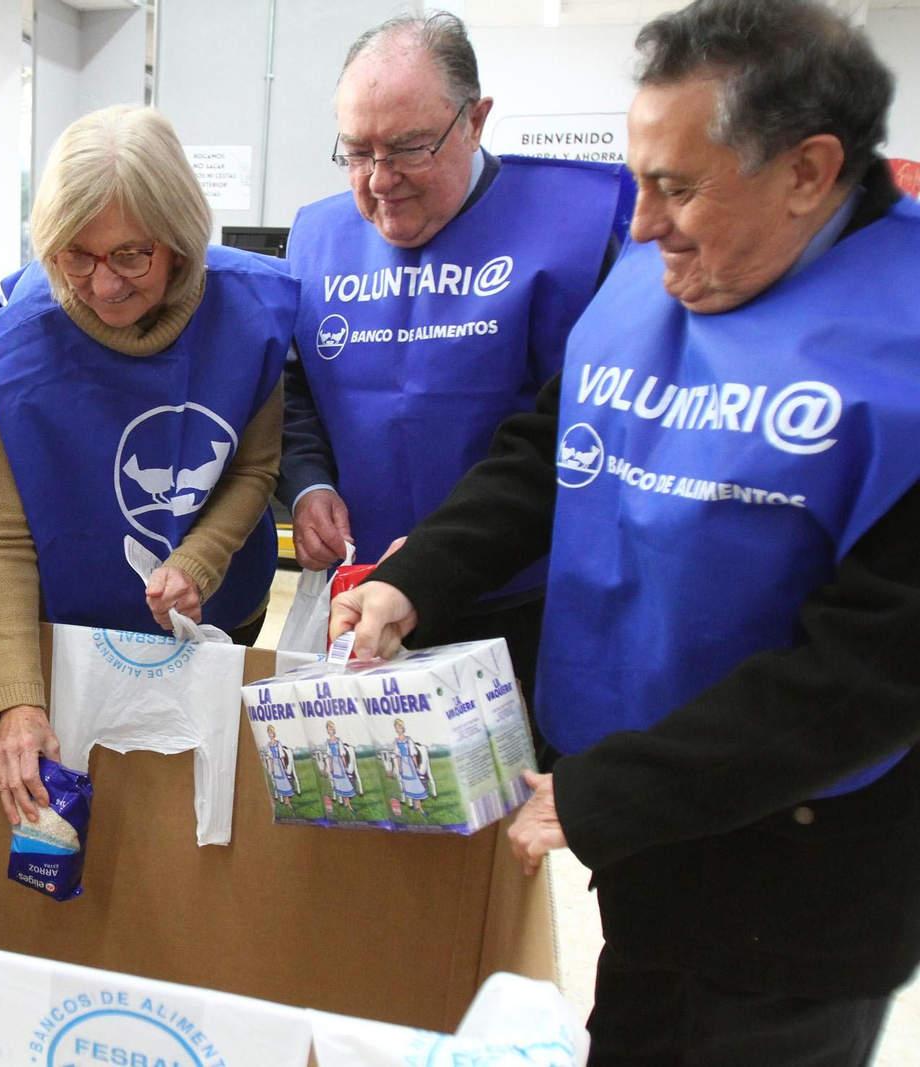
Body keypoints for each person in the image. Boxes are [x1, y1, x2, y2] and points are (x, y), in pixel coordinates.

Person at [332, 2, 920, 1061]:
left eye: (678, 187)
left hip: (795, 892)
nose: (641, 226)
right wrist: (419, 576)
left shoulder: (903, 345)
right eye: (640, 180)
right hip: (650, 857)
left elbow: (870, 674)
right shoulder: (669, 266)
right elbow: (546, 450)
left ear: (807, 171)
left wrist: (608, 793)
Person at [279, 13, 630, 719]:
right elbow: (293, 392)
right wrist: (307, 484)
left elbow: (577, 434)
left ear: (474, 120)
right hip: (360, 593)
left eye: (409, 148)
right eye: (357, 152)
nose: (381, 180)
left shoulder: (578, 231)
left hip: (522, 595)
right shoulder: (318, 238)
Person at [0, 105, 297, 827]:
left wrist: (200, 561)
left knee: (200, 806)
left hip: (221, 618)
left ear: (179, 241)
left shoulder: (249, 315)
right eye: (76, 255)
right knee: (116, 814)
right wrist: (18, 701)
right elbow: (4, 537)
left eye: (130, 255)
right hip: (82, 635)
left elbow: (255, 467)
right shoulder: (20, 346)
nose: (104, 285)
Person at [390, 719, 428, 816]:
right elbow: (398, 756)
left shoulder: (408, 740)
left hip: (410, 763)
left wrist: (416, 766)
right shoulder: (396, 741)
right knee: (408, 784)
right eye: (397, 728)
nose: (399, 730)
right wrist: (399, 767)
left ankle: (420, 808)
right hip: (403, 764)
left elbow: (413, 754)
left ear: (403, 728)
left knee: (415, 784)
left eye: (400, 727)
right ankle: (415, 805)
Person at [264, 725, 297, 811]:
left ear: (274, 733)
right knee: (279, 782)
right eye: (269, 733)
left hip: (279, 763)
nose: (270, 734)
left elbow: (282, 756)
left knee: (284, 781)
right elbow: (271, 757)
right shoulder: (269, 745)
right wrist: (272, 767)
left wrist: (284, 767)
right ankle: (285, 800)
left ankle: (288, 801)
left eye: (271, 733)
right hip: (275, 764)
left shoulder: (278, 743)